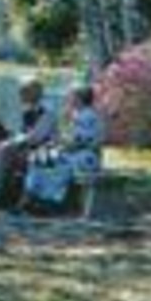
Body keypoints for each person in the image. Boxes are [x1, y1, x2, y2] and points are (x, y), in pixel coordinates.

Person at [23, 84, 103, 213]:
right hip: (75, 153)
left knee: (48, 162)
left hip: (84, 156)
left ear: (79, 99)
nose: (68, 99)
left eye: (71, 96)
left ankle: (50, 201)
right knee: (39, 158)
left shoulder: (87, 116)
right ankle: (36, 198)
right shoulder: (79, 114)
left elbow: (80, 141)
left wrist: (61, 144)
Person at [0, 76, 57, 208]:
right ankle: (0, 189)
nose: (20, 95)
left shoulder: (46, 112)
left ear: (34, 93)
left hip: (45, 149)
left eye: (24, 92)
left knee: (4, 150)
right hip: (27, 146)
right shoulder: (27, 111)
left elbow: (36, 136)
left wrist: (14, 142)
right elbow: (21, 132)